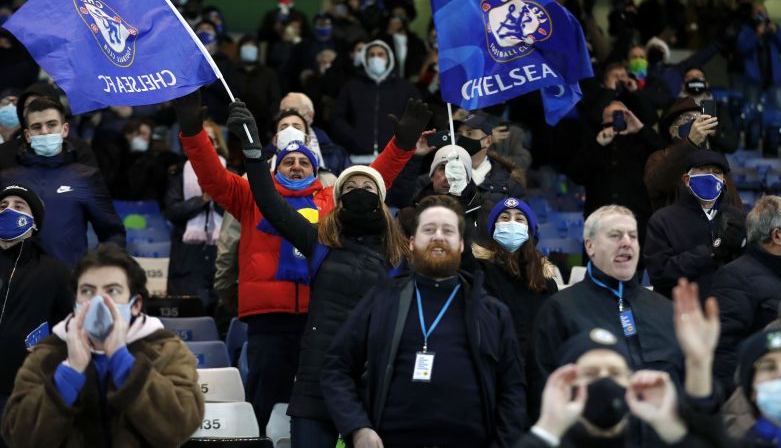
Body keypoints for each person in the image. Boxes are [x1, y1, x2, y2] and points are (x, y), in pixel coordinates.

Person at [177, 91, 431, 431]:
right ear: (274, 166)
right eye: (287, 162)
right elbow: (210, 176)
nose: (296, 166)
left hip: (320, 324)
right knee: (265, 409)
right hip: (268, 321)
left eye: (304, 162)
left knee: (317, 410)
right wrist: (193, 134)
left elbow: (370, 180)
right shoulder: (251, 194)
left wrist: (402, 144)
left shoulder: (332, 203)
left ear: (317, 171)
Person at [321, 195, 527, 447]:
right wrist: (357, 427)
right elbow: (336, 368)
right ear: (411, 242)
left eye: (447, 231)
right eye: (429, 230)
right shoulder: (382, 300)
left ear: (461, 244)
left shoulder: (491, 311)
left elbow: (513, 392)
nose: (438, 236)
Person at [0, 244, 204, 447]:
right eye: (87, 291)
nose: (98, 301)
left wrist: (122, 361)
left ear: (135, 305)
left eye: (112, 291)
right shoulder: (47, 353)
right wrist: (69, 371)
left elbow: (180, 425)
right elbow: (18, 435)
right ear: (75, 300)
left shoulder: (165, 350)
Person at [529, 205, 682, 418]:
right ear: (590, 246)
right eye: (615, 235)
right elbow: (543, 393)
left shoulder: (665, 309)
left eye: (633, 236)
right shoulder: (560, 309)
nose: (627, 242)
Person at [517, 329, 700, 448]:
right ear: (568, 384)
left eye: (615, 373)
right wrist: (548, 427)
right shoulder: (549, 441)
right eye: (590, 373)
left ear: (631, 381)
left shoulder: (654, 440)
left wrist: (670, 427)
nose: (604, 381)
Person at [673, 277, 781, 447]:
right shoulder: (745, 430)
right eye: (769, 368)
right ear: (752, 390)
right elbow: (707, 437)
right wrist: (699, 365)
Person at [0, 97, 125, 268]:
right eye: (37, 127)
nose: (45, 132)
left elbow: (113, 234)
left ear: (64, 129)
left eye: (51, 124)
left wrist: (94, 269)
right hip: (16, 286)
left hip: (68, 284)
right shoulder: (7, 179)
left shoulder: (85, 177)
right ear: (27, 135)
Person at [474, 197, 558, 417]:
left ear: (530, 230)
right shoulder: (481, 271)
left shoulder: (546, 282)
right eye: (504, 218)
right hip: (496, 373)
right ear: (493, 229)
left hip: (535, 377)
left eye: (520, 219)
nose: (511, 223)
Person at [0, 184, 72, 436]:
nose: (8, 211)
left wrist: (54, 348)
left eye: (19, 206)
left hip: (25, 390)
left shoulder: (54, 271)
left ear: (34, 222)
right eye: (2, 206)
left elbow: (72, 326)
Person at [711, 195, 781, 397]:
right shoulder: (735, 278)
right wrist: (748, 399)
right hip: (764, 393)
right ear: (778, 235)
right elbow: (724, 353)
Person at [564, 99, 665, 253]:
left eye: (621, 115)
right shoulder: (593, 144)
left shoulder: (641, 143)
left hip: (636, 225)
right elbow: (575, 174)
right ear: (603, 121)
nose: (615, 119)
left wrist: (641, 128)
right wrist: (597, 145)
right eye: (610, 116)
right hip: (599, 226)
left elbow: (665, 158)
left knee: (633, 271)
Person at [645, 149, 746, 301]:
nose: (711, 177)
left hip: (728, 310)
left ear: (723, 181)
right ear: (687, 179)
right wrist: (711, 252)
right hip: (679, 312)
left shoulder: (737, 218)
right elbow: (660, 274)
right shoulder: (662, 220)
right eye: (703, 170)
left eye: (716, 172)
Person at [163, 120, 229, 308]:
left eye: (210, 140)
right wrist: (204, 199)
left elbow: (237, 214)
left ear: (217, 145)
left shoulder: (231, 175)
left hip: (221, 255)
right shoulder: (177, 174)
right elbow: (173, 211)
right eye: (201, 140)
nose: (206, 146)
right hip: (187, 258)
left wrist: (219, 193)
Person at [644, 96, 741, 211]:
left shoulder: (714, 160)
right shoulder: (660, 157)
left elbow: (735, 207)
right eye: (688, 118)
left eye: (699, 119)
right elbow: (657, 184)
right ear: (673, 130)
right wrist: (690, 142)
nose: (695, 123)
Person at [331, 39, 420, 156]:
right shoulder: (351, 86)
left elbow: (417, 118)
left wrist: (400, 141)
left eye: (380, 54)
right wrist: (354, 138)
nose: (375, 58)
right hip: (357, 156)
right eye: (371, 55)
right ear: (365, 59)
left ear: (389, 58)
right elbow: (337, 118)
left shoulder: (405, 88)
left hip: (394, 156)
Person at [456, 112, 526, 202]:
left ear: (488, 141)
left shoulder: (510, 181)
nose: (462, 138)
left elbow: (520, 214)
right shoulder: (445, 173)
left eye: (469, 133)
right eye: (459, 134)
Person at [280, 92, 351, 176]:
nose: (288, 115)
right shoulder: (268, 155)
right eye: (283, 112)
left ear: (310, 115)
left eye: (294, 111)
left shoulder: (335, 154)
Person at [735, 3, 781, 109]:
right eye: (757, 11)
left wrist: (777, 32)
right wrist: (756, 35)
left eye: (763, 11)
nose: (760, 13)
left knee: (777, 111)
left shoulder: (773, 28)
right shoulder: (747, 29)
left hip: (774, 81)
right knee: (753, 111)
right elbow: (742, 47)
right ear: (752, 14)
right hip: (753, 81)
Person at [232, 34, 282, 143]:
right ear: (239, 50)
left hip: (262, 127)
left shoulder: (269, 74)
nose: (249, 49)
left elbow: (275, 99)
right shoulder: (231, 72)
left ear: (258, 51)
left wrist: (269, 121)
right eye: (246, 46)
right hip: (235, 126)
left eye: (252, 46)